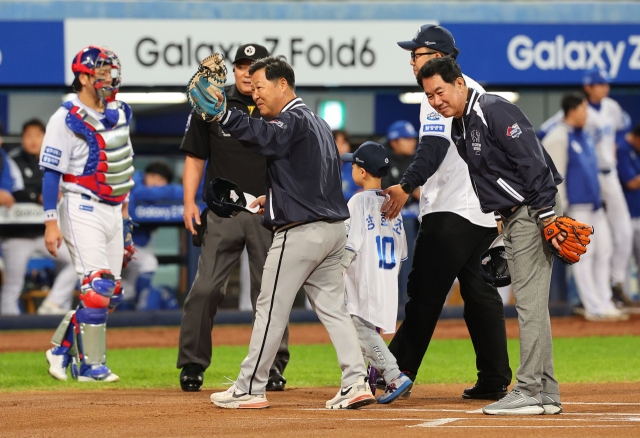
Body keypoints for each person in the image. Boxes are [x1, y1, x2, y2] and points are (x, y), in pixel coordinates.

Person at [206, 56, 373, 409]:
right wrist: (276, 200)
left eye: (260, 87)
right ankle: (357, 381)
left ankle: (250, 386)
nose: (255, 96)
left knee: (269, 309)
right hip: (331, 231)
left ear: (283, 84)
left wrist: (225, 114)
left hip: (302, 235)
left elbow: (266, 137)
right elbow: (311, 179)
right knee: (332, 308)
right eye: (251, 90)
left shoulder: (291, 118)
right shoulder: (317, 122)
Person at [417, 56, 566, 415]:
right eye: (429, 96)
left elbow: (533, 162)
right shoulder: (460, 125)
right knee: (533, 307)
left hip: (533, 211)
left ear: (459, 83)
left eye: (440, 92)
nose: (436, 101)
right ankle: (545, 392)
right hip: (515, 216)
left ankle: (530, 389)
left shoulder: (492, 110)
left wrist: (546, 216)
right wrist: (501, 217)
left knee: (529, 306)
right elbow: (491, 176)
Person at [380, 24, 512, 400]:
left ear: (439, 57)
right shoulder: (475, 89)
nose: (412, 60)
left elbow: (433, 148)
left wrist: (406, 185)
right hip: (483, 211)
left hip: (451, 210)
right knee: (481, 295)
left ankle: (395, 372)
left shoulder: (437, 91)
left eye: (417, 54)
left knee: (423, 293)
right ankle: (494, 377)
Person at [178, 44, 290, 392]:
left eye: (252, 67)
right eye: (240, 65)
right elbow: (196, 157)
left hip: (267, 212)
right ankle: (192, 365)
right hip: (223, 210)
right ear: (233, 70)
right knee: (206, 288)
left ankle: (270, 365)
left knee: (270, 291)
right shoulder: (211, 102)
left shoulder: (276, 106)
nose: (245, 72)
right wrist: (189, 203)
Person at [42, 45, 135, 382]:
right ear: (83, 77)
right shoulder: (65, 116)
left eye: (111, 70)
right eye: (101, 71)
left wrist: (125, 215)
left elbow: (122, 165)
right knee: (97, 286)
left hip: (114, 210)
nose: (108, 77)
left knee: (111, 294)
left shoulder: (121, 111)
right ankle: (91, 367)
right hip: (81, 206)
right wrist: (50, 221)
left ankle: (60, 349)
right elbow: (51, 172)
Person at [539, 69, 633, 306]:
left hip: (604, 179)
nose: (605, 88)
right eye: (599, 84)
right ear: (588, 88)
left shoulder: (609, 109)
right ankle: (592, 303)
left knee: (618, 238)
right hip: (582, 191)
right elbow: (545, 132)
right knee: (587, 249)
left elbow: (625, 127)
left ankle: (613, 288)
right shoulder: (567, 127)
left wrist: (613, 147)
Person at [341, 141, 412, 404]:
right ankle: (363, 383)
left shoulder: (357, 201)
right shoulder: (395, 204)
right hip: (387, 278)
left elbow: (349, 245)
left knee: (359, 328)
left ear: (361, 171)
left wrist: (336, 275)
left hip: (365, 279)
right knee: (365, 331)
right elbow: (402, 254)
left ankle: (394, 375)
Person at [0, 119, 77, 316]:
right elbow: (15, 191)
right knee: (13, 284)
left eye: (38, 135)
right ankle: (10, 333)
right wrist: (38, 196)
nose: (33, 140)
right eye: (28, 136)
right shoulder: (11, 159)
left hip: (45, 232)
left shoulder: (55, 159)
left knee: (77, 262)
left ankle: (52, 305)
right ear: (22, 138)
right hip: (16, 233)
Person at [122, 161, 183, 310]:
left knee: (126, 291)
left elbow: (185, 191)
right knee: (148, 262)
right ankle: (143, 307)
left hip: (133, 247)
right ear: (145, 175)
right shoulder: (133, 182)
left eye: (161, 180)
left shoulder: (150, 191)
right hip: (116, 243)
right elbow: (141, 192)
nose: (156, 183)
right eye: (153, 177)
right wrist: (165, 191)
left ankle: (134, 313)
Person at [382, 120, 420, 306]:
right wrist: (413, 192)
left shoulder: (418, 159)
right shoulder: (383, 158)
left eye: (413, 138)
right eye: (407, 138)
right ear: (394, 141)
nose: (412, 142)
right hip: (387, 224)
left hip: (416, 222)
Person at [617, 122, 640, 305]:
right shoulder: (623, 148)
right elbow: (631, 182)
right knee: (623, 258)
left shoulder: (633, 150)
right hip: (626, 214)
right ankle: (623, 299)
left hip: (635, 214)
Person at [334, 130, 359, 201]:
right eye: (335, 142)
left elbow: (362, 192)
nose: (339, 146)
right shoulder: (322, 167)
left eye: (343, 143)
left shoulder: (356, 166)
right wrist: (353, 195)